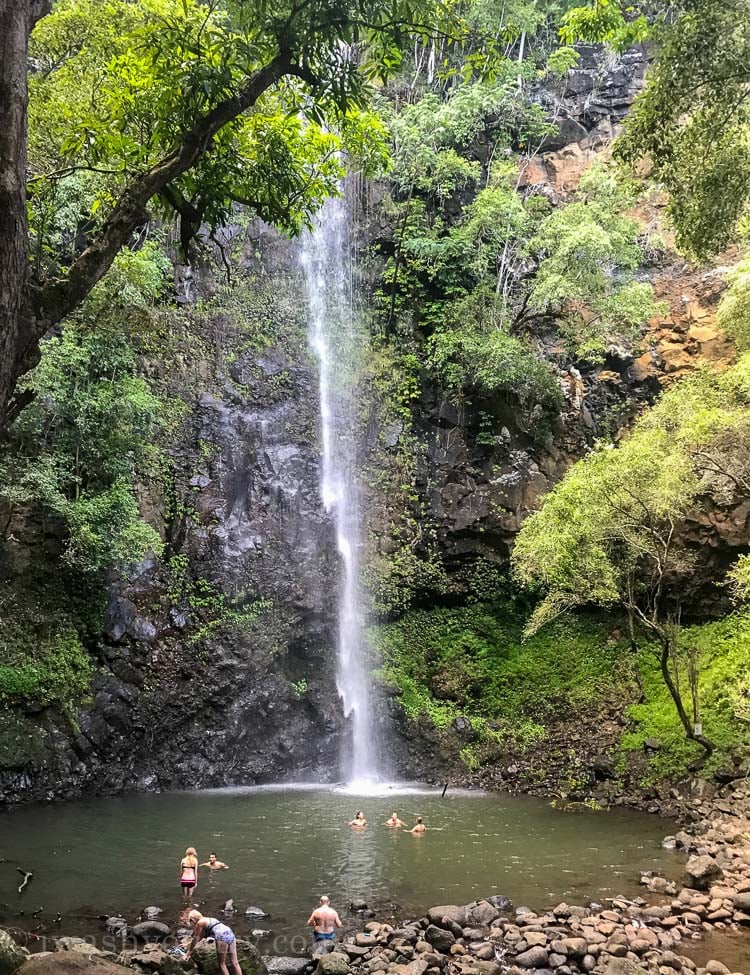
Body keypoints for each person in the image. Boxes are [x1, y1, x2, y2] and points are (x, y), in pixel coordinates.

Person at [186, 909, 242, 975]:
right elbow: (200, 937)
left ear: (192, 920)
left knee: (222, 964)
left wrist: (188, 953)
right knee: (235, 962)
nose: (191, 924)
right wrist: (188, 944)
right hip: (230, 932)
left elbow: (196, 938)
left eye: (190, 922)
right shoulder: (210, 919)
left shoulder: (199, 923)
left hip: (221, 937)